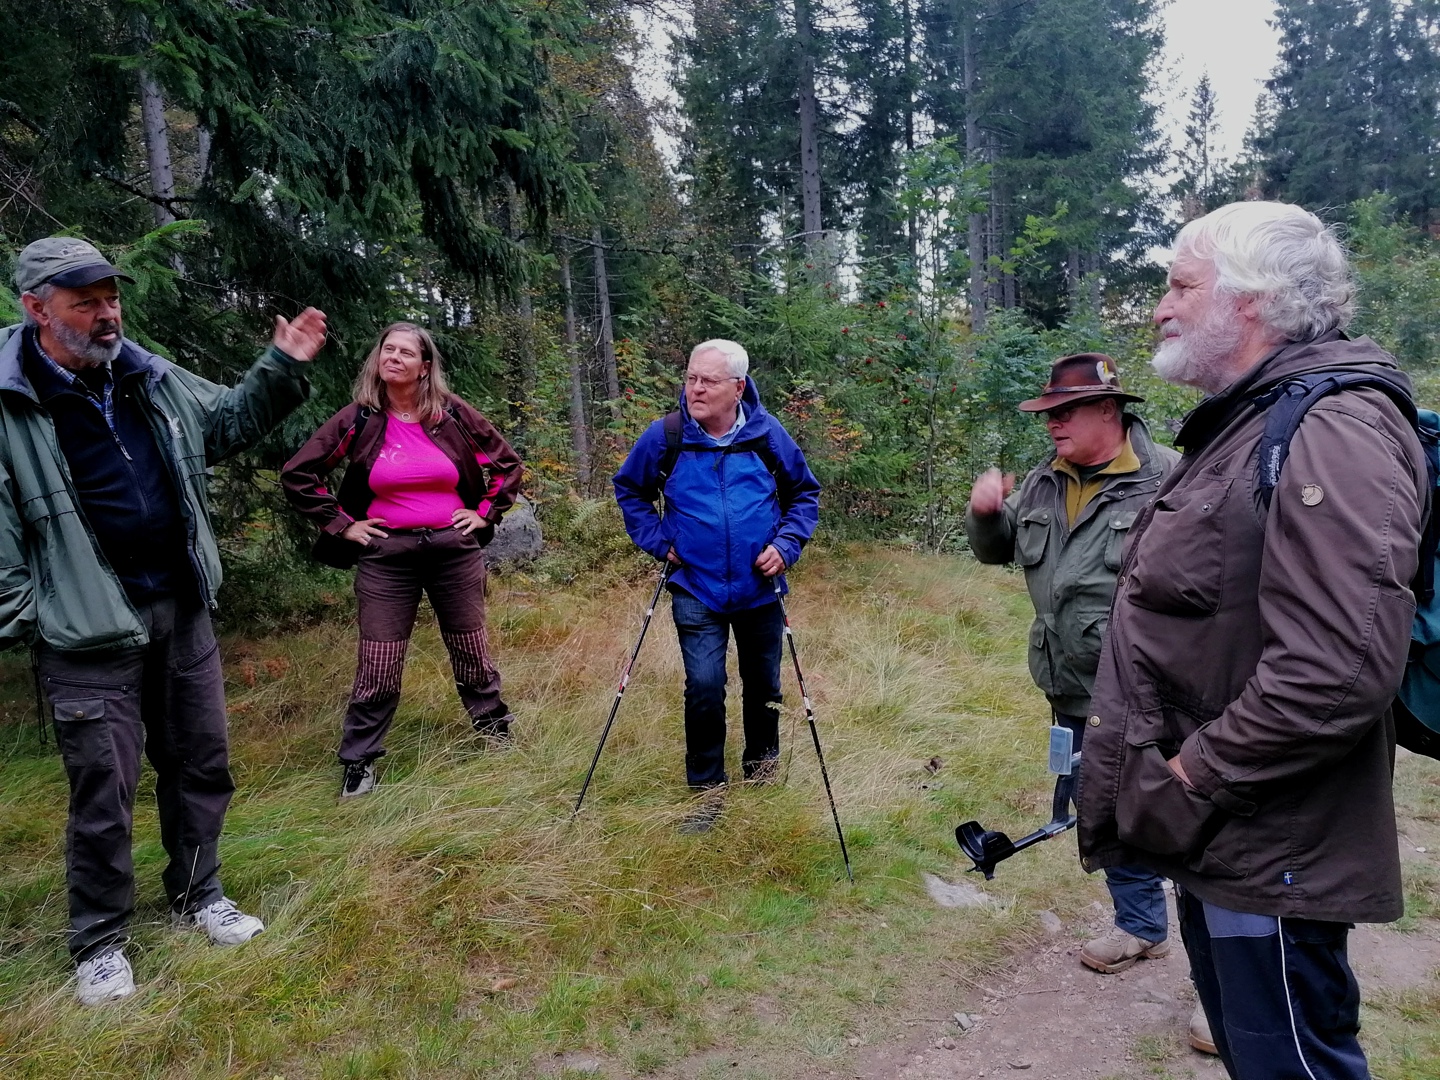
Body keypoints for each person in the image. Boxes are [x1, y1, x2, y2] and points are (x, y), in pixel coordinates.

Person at [1078, 201, 1427, 1080]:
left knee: (1292, 1066)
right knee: (1256, 1057)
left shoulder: (1329, 427)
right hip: (1229, 842)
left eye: (1179, 284)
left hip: (1271, 844)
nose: (1159, 306)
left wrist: (1190, 780)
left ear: (1254, 300)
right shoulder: (1252, 420)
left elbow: (1338, 668)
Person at [1, 237, 325, 1005]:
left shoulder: (144, 372)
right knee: (102, 791)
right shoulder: (10, 400)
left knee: (200, 763)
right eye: (85, 301)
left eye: (110, 297)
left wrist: (280, 366)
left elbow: (222, 424)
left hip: (177, 610)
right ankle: (100, 943)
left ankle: (198, 894)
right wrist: (34, 617)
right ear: (36, 308)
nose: (106, 313)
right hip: (82, 632)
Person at [963, 356, 1210, 1046]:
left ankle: (1217, 982)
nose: (1054, 425)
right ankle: (1139, 927)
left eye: (1065, 413)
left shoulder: (1171, 478)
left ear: (1109, 410)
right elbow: (997, 552)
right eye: (1048, 415)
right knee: (1098, 810)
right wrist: (985, 514)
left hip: (1160, 693)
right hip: (1071, 688)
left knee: (1182, 822)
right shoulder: (1043, 482)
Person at [282, 322, 523, 798]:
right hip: (386, 555)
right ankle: (359, 761)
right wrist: (342, 524)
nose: (393, 357)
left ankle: (495, 732)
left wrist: (483, 513)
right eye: (386, 350)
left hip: (452, 550)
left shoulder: (450, 415)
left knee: (471, 649)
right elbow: (299, 472)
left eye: (405, 352)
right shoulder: (360, 419)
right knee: (380, 659)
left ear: (424, 367)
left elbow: (506, 463)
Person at [613, 339, 820, 832]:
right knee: (705, 686)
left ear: (738, 387)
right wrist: (659, 540)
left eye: (708, 380)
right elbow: (630, 489)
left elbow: (804, 495)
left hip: (759, 589)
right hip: (696, 587)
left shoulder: (769, 437)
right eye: (690, 378)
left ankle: (762, 774)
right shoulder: (666, 437)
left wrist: (787, 545)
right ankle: (705, 794)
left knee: (764, 685)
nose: (696, 389)